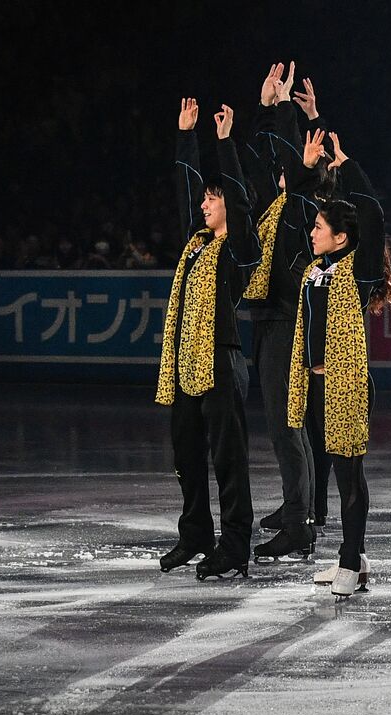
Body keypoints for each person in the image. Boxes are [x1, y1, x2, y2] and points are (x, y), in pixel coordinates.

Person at [154, 98, 259, 580]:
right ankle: (195, 533)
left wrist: (223, 144)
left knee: (227, 459)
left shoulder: (238, 251)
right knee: (187, 454)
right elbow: (184, 194)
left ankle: (235, 543)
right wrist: (185, 139)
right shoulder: (196, 246)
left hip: (220, 361)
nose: (203, 204)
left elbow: (237, 198)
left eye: (210, 200)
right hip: (184, 363)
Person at [285, 129, 391, 598]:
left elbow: (373, 213)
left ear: (341, 237)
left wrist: (346, 167)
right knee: (330, 472)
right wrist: (311, 173)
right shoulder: (314, 270)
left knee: (351, 475)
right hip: (313, 386)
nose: (312, 232)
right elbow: (291, 220)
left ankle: (351, 561)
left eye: (320, 228)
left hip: (345, 387)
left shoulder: (358, 269)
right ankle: (354, 556)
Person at [241, 61, 323, 561]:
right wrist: (265, 107)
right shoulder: (275, 204)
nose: (274, 173)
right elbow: (255, 160)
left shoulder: (300, 208)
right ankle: (302, 511)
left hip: (287, 321)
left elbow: (294, 163)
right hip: (269, 318)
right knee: (285, 424)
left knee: (286, 424)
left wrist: (290, 117)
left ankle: (300, 522)